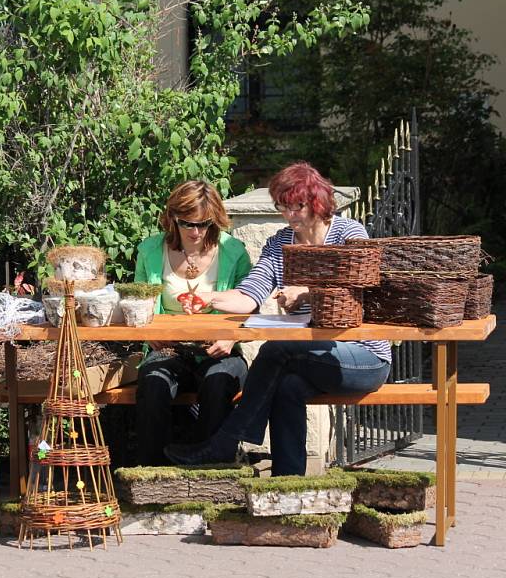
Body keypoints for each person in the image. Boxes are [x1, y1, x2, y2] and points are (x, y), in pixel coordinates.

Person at [163, 162, 392, 476]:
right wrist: (211, 297)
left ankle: (225, 443)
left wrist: (309, 294)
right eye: (283, 207)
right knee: (287, 387)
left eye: (297, 206)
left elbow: (361, 294)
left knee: (276, 349)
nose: (290, 215)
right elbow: (250, 294)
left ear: (317, 201)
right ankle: (288, 484)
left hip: (364, 357)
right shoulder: (279, 245)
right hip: (311, 358)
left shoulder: (349, 235)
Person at [133, 180, 252, 465]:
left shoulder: (233, 251)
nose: (196, 232)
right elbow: (138, 304)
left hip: (219, 347)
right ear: (173, 218)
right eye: (188, 224)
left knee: (219, 381)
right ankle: (152, 473)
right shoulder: (151, 250)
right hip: (170, 348)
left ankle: (211, 470)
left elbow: (251, 303)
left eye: (204, 224)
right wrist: (150, 334)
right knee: (153, 382)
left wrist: (231, 337)